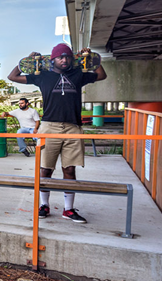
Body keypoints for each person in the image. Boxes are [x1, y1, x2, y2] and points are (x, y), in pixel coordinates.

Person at [7, 43, 107, 224]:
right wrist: (26, 62)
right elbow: (12, 76)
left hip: (73, 127)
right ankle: (44, 206)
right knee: (46, 168)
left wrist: (92, 59)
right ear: (53, 59)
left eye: (67, 57)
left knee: (69, 169)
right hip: (49, 126)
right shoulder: (42, 76)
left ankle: (68, 210)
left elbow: (101, 75)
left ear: (71, 59)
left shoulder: (78, 75)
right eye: (60, 57)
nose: (64, 60)